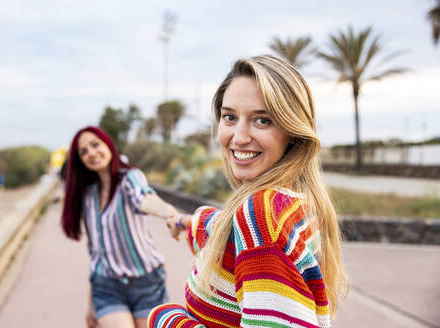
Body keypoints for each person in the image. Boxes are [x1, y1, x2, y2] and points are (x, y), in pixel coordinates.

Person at [149, 55, 347, 328]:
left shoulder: (262, 216)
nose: (239, 137)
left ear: (293, 131)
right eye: (229, 117)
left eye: (262, 120)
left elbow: (255, 234)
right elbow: (222, 229)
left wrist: (168, 320)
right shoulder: (293, 203)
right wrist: (187, 222)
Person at [61, 126, 179, 328]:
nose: (91, 153)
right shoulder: (88, 196)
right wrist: (91, 305)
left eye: (94, 144)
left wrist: (169, 212)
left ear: (107, 144)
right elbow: (96, 254)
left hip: (147, 283)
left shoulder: (129, 178)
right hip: (107, 288)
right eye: (83, 151)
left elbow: (144, 198)